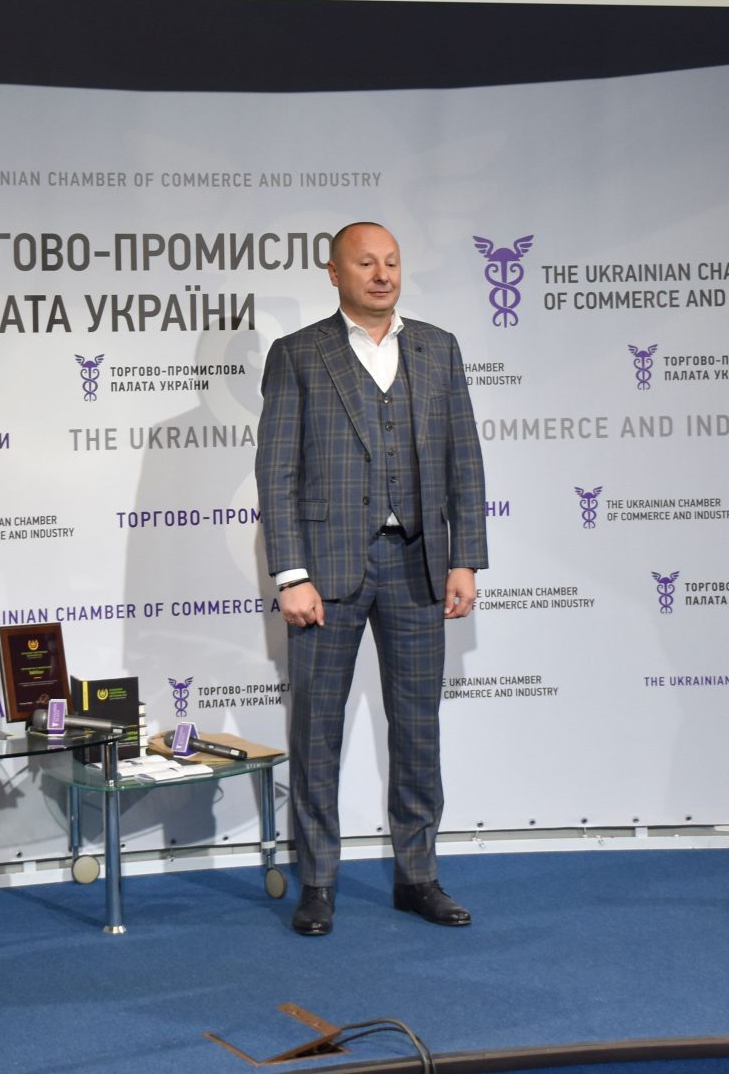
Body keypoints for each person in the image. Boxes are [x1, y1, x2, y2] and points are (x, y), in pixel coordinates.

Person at [255, 221, 488, 936]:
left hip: (418, 565)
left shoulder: (438, 348)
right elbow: (277, 470)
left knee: (417, 729)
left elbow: (464, 460)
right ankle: (318, 883)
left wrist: (463, 557)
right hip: (325, 572)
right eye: (366, 263)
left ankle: (418, 876)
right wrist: (291, 574)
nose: (383, 274)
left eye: (391, 262)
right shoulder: (299, 354)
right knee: (317, 730)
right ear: (334, 273)